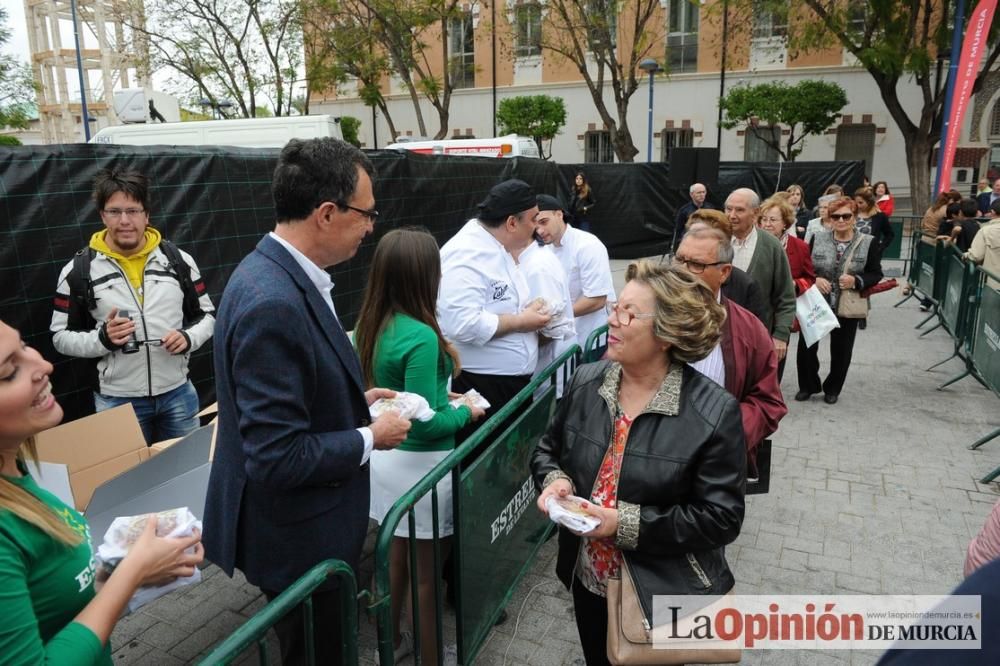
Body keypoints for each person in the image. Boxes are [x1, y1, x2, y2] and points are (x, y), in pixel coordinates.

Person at [203, 138, 412, 666]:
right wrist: (371, 436)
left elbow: (286, 397)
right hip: (300, 543)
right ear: (326, 213)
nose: (371, 227)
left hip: (301, 533)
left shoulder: (274, 273)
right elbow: (276, 456)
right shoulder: (273, 299)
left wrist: (349, 403)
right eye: (367, 213)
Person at [531, 261, 746, 666]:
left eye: (628, 312)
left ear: (667, 333)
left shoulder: (714, 412)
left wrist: (622, 523)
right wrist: (555, 481)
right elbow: (547, 449)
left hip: (658, 588)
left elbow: (721, 518)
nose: (612, 319)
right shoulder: (587, 380)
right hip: (588, 579)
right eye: (616, 307)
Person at [0, 320, 204, 664]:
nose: (44, 366)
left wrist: (119, 570)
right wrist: (131, 574)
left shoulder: (15, 471)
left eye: (24, 346)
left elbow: (50, 602)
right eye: (8, 372)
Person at [354, 228, 485, 666]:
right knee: (426, 577)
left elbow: (406, 398)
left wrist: (442, 397)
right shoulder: (422, 335)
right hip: (424, 468)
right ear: (424, 275)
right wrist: (465, 412)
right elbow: (423, 425)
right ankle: (431, 657)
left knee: (392, 564)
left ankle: (388, 650)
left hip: (386, 464)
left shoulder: (371, 324)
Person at [50, 169, 215, 444]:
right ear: (102, 216)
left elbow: (207, 316)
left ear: (146, 214)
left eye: (133, 210)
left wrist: (188, 338)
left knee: (188, 474)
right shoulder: (78, 270)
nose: (124, 221)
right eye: (114, 211)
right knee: (127, 481)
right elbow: (59, 337)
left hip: (178, 394)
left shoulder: (178, 260)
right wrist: (103, 339)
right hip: (117, 401)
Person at [438, 179, 552, 444]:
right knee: (484, 472)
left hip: (505, 386)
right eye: (533, 219)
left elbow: (499, 303)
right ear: (512, 223)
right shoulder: (467, 254)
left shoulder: (497, 248)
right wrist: (522, 321)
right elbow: (461, 323)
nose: (536, 227)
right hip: (481, 386)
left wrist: (529, 311)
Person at [674, 228, 786, 476]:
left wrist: (727, 436)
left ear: (724, 272)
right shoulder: (647, 315)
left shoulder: (749, 329)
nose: (681, 271)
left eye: (696, 265)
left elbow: (768, 402)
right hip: (651, 455)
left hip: (714, 464)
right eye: (680, 259)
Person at [796, 196, 883, 405]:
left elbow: (876, 273)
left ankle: (833, 388)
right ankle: (808, 386)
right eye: (836, 216)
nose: (841, 220)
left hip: (848, 303)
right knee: (807, 346)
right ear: (829, 218)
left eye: (846, 216)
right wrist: (815, 280)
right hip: (817, 301)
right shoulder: (817, 238)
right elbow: (805, 268)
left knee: (842, 349)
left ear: (854, 217)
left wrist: (856, 280)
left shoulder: (868, 242)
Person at [725, 187, 796, 365]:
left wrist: (780, 335)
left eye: (739, 210)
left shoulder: (771, 246)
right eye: (728, 208)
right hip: (720, 336)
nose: (732, 215)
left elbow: (785, 296)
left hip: (759, 336)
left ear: (755, 213)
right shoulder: (716, 241)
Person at [533, 194, 615, 351]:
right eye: (535, 226)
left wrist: (553, 317)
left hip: (592, 340)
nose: (540, 231)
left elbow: (596, 299)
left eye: (544, 222)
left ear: (559, 214)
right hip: (565, 340)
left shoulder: (588, 245)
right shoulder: (544, 250)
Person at [757, 196, 816, 380]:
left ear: (785, 223)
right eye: (764, 219)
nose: (767, 224)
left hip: (782, 313)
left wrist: (794, 284)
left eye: (772, 220)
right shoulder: (753, 243)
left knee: (775, 364)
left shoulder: (799, 247)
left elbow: (810, 278)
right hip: (756, 311)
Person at [686, 208, 770, 326]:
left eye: (705, 236)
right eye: (692, 235)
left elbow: (756, 335)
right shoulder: (670, 283)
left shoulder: (746, 286)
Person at [966, 199, 1000, 289]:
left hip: (993, 284)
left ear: (992, 212)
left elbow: (976, 256)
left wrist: (965, 255)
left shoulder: (986, 231)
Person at [673, 182, 715, 251]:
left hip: (706, 242)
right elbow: (678, 229)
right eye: (699, 193)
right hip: (689, 243)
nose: (702, 195)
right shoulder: (684, 210)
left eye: (703, 192)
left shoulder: (711, 208)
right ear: (691, 194)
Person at [854, 187, 896, 253]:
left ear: (869, 202)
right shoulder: (851, 214)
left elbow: (889, 234)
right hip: (851, 255)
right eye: (856, 202)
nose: (858, 205)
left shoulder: (879, 216)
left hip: (870, 256)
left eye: (861, 202)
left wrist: (880, 248)